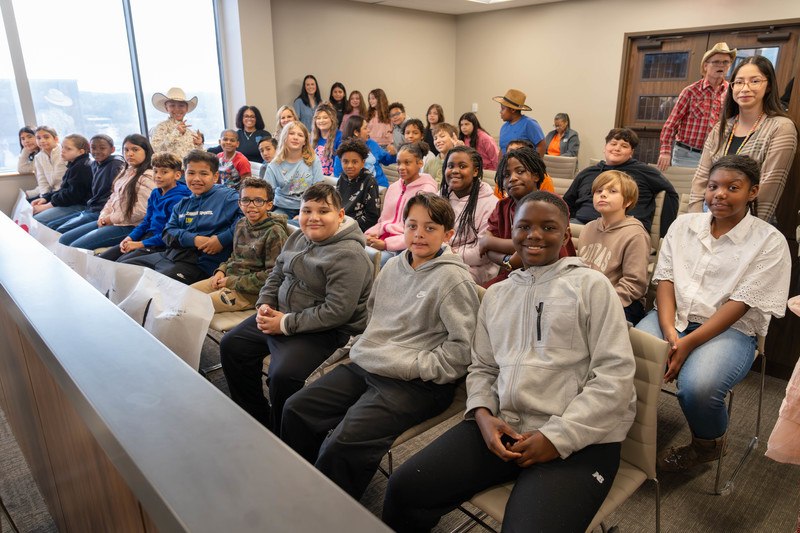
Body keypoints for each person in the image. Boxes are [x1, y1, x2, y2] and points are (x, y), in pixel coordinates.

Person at [383, 191, 636, 533]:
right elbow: (483, 367)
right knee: (405, 487)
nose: (534, 235)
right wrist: (483, 415)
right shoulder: (498, 294)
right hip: (503, 427)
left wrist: (556, 437)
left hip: (578, 438)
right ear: (512, 232)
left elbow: (615, 379)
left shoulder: (592, 286)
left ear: (565, 235)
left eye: (548, 227)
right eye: (524, 226)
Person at [281, 193, 479, 500]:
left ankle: (328, 508)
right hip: (371, 363)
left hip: (417, 383)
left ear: (448, 234)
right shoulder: (393, 266)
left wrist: (418, 366)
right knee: (297, 409)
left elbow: (463, 351)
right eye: (412, 226)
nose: (419, 235)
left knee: (345, 441)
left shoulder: (454, 280)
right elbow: (374, 318)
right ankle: (303, 484)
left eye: (430, 228)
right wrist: (362, 347)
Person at [636, 155, 790, 471]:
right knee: (626, 362)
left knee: (698, 389)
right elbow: (666, 279)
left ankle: (708, 446)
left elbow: (740, 303)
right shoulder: (683, 225)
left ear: (752, 191)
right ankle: (627, 433)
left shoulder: (769, 241)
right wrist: (669, 331)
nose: (719, 194)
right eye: (713, 186)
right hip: (673, 317)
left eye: (733, 187)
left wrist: (687, 344)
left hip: (731, 329)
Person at [219, 183, 374, 432]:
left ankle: (283, 433)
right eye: (306, 211)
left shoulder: (350, 255)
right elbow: (277, 272)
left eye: (323, 211)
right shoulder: (298, 237)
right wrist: (265, 304)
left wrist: (284, 323)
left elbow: (337, 311)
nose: (313, 218)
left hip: (326, 331)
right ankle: (256, 417)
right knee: (232, 346)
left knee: (283, 376)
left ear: (340, 215)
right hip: (282, 314)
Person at [688, 56, 798, 222]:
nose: (745, 88)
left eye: (754, 81)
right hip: (707, 215)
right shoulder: (721, 128)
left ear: (768, 86)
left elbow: (769, 187)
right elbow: (701, 178)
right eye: (738, 82)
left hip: (748, 220)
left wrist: (743, 229)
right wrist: (696, 220)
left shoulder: (781, 127)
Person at [123, 150, 242, 285]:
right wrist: (195, 239)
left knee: (156, 284)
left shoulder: (228, 196)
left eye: (203, 174)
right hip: (171, 256)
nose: (196, 179)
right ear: (185, 175)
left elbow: (246, 222)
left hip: (200, 264)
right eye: (191, 173)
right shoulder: (183, 203)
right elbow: (167, 232)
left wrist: (221, 240)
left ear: (215, 177)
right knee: (123, 268)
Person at [480, 147, 575, 288]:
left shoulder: (550, 203)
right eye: (506, 175)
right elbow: (486, 251)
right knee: (480, 298)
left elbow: (529, 247)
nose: (513, 178)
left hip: (553, 275)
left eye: (520, 171)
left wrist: (489, 242)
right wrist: (507, 258)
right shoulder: (502, 206)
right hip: (515, 276)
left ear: (536, 175)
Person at [190, 178, 289, 312]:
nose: (251, 205)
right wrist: (222, 270)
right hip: (230, 280)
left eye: (258, 201)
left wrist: (231, 282)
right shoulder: (241, 223)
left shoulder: (274, 232)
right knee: (185, 295)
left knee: (194, 305)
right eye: (246, 200)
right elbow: (235, 256)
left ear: (269, 205)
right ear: (239, 203)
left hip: (251, 293)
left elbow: (272, 276)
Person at [564, 128, 678, 236]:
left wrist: (665, 235)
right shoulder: (587, 172)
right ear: (605, 147)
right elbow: (567, 203)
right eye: (613, 144)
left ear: (631, 152)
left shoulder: (645, 172)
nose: (617, 148)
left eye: (624, 146)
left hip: (624, 229)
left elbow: (671, 194)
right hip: (582, 226)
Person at [578, 170, 651, 324]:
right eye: (599, 191)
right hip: (588, 298)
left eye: (612, 191)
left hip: (622, 303)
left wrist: (599, 304)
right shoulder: (589, 228)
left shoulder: (635, 234)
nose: (603, 194)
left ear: (628, 201)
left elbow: (634, 285)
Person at [59, 134, 155, 250]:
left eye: (135, 150)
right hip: (113, 219)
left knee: (75, 247)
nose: (129, 154)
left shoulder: (148, 176)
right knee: (64, 239)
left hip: (131, 226)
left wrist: (111, 219)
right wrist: (103, 216)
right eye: (126, 150)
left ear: (146, 151)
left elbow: (141, 211)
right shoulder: (126, 171)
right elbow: (112, 198)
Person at [98, 151, 191, 263]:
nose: (158, 176)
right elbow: (147, 222)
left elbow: (171, 234)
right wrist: (130, 237)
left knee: (121, 264)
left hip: (163, 243)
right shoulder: (156, 193)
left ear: (177, 175)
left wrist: (139, 244)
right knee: (103, 259)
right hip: (148, 236)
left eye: (164, 172)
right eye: (155, 171)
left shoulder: (179, 199)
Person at [657, 43, 737, 171]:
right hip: (686, 155)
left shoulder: (732, 93)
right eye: (716, 62)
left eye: (726, 62)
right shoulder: (691, 92)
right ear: (706, 65)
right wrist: (665, 151)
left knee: (711, 191)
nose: (721, 65)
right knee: (683, 190)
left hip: (717, 156)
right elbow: (671, 124)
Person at [365, 142, 438, 266]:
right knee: (355, 253)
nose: (401, 167)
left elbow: (420, 232)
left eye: (407, 163)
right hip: (384, 238)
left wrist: (387, 244)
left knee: (372, 262)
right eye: (399, 163)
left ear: (420, 163)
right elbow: (383, 221)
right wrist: (368, 235)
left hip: (406, 245)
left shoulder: (426, 191)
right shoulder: (393, 187)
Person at [440, 146, 499, 284]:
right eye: (450, 166)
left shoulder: (491, 204)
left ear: (475, 171)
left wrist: (444, 253)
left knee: (442, 280)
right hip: (441, 258)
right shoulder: (440, 197)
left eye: (462, 166)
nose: (455, 171)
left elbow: (481, 254)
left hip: (476, 268)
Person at [52, 135, 125, 233]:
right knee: (54, 226)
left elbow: (115, 194)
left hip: (103, 210)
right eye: (93, 148)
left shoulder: (116, 165)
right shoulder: (95, 164)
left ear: (112, 149)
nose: (97, 151)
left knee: (61, 229)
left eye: (102, 148)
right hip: (92, 208)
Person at [263, 121, 324, 219]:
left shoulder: (313, 160)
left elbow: (319, 190)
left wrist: (304, 212)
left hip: (308, 207)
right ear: (285, 138)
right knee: (276, 223)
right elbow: (266, 193)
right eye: (291, 134)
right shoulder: (274, 164)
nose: (295, 137)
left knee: (300, 225)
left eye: (300, 135)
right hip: (282, 207)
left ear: (305, 141)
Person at [32, 134, 93, 227]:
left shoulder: (82, 167)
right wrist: (46, 198)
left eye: (68, 149)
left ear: (81, 152)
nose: (62, 151)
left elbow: (72, 196)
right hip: (70, 202)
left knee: (37, 220)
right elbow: (64, 189)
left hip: (80, 205)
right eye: (62, 147)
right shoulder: (73, 164)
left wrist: (48, 206)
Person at [333, 115, 395, 187]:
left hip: (380, 187)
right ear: (356, 132)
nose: (369, 130)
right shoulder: (343, 151)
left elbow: (386, 160)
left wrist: (392, 154)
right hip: (355, 191)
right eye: (365, 128)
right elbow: (339, 179)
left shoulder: (372, 144)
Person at [335, 138, 380, 232]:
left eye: (354, 162)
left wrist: (345, 226)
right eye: (345, 161)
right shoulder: (342, 178)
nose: (349, 166)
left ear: (363, 162)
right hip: (338, 223)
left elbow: (372, 218)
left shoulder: (369, 181)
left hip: (355, 229)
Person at [150, 87, 204, 159]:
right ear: (167, 108)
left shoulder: (191, 133)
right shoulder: (160, 127)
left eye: (181, 105)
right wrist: (175, 133)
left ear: (186, 108)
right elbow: (156, 151)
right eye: (172, 105)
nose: (177, 109)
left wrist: (199, 145)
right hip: (170, 169)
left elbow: (198, 158)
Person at [494, 89, 545, 155]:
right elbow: (502, 150)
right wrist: (499, 165)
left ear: (513, 110)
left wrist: (533, 164)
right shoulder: (504, 127)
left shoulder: (529, 123)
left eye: (503, 109)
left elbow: (542, 146)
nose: (500, 112)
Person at [29, 126, 66, 201]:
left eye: (46, 137)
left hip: (65, 193)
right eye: (38, 138)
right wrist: (44, 198)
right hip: (52, 195)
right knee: (32, 208)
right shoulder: (38, 157)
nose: (42, 141)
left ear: (56, 139)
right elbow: (42, 181)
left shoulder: (64, 152)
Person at [311, 104, 342, 176]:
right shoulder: (312, 139)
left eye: (325, 118)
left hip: (333, 180)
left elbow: (341, 163)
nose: (321, 121)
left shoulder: (340, 137)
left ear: (332, 119)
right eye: (318, 118)